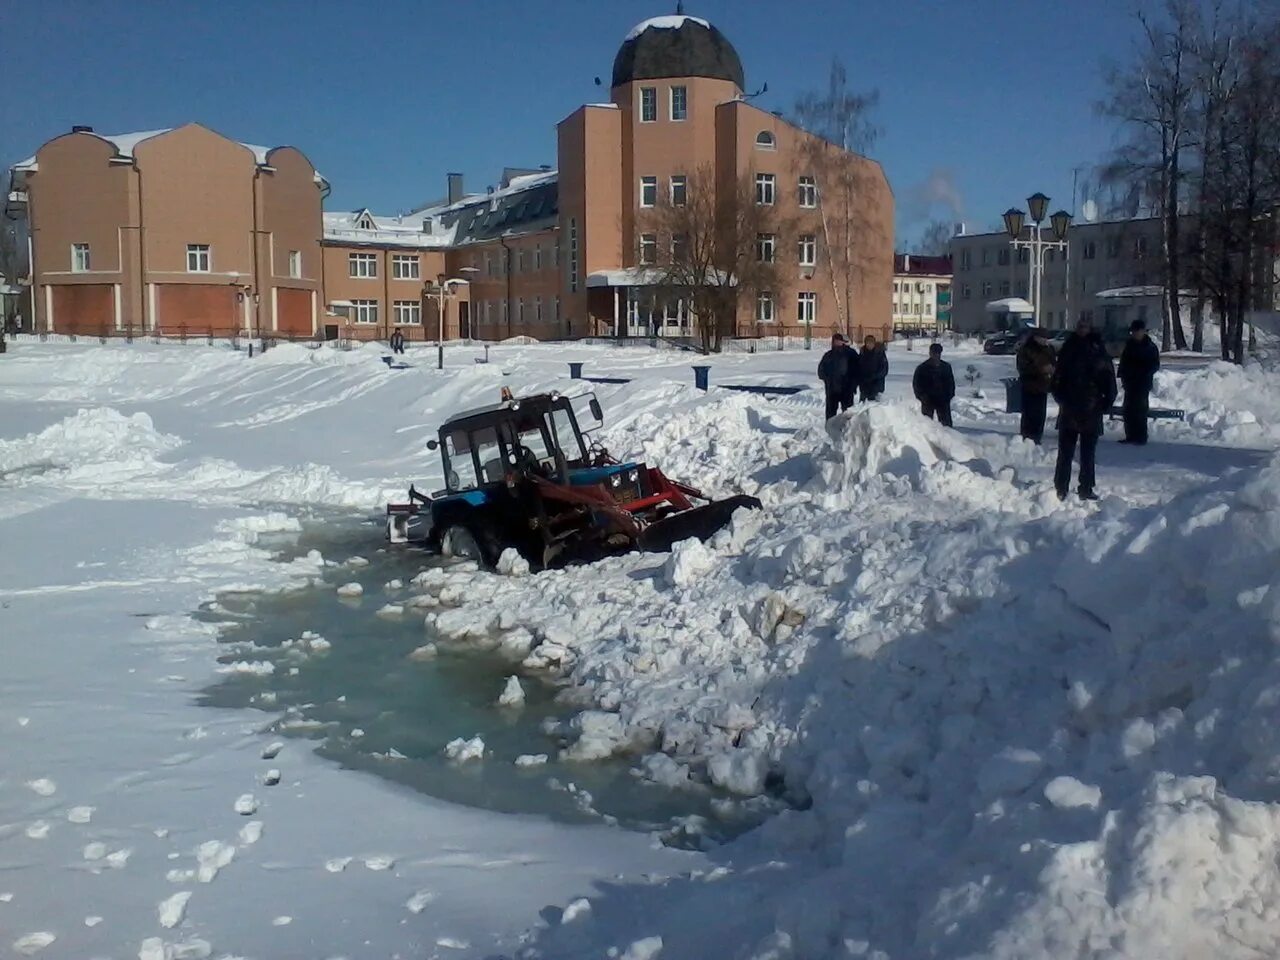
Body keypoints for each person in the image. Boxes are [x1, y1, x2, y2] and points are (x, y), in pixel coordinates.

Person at [1051, 318, 1118, 501]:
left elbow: (1108, 377)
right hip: (1071, 406)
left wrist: (1106, 402)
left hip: (1091, 407)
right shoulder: (1068, 348)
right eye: (1079, 326)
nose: (1082, 330)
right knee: (1065, 451)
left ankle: (1086, 487)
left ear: (1090, 329)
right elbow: (1057, 378)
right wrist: (1061, 398)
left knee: (1088, 453)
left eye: (1085, 327)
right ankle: (1061, 487)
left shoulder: (1097, 349)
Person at [1117, 319, 1160, 444]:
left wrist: (1143, 372)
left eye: (1138, 331)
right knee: (1128, 410)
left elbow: (1154, 365)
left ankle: (1141, 436)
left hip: (1142, 383)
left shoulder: (1149, 346)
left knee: (1140, 410)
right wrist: (1123, 375)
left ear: (1143, 331)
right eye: (1134, 331)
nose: (1135, 334)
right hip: (1130, 383)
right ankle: (1130, 435)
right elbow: (1124, 362)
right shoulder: (1129, 345)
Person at [1015, 328, 1056, 444]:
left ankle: (1037, 438)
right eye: (1042, 338)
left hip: (1043, 387)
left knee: (1040, 415)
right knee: (1029, 415)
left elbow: (1054, 363)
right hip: (1029, 386)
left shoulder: (1048, 350)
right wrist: (1040, 370)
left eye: (1046, 338)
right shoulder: (1026, 350)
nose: (1044, 340)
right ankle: (1027, 438)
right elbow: (1023, 368)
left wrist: (1052, 371)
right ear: (1035, 337)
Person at [912, 343, 956, 426]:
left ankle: (947, 438)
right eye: (934, 353)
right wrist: (922, 397)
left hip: (943, 400)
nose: (936, 355)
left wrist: (949, 395)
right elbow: (916, 385)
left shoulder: (946, 367)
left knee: (946, 426)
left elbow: (951, 383)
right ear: (930, 353)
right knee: (926, 425)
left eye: (938, 353)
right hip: (928, 400)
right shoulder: (922, 368)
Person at [817, 332, 859, 419]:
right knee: (830, 414)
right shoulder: (828, 355)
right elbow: (821, 371)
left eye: (838, 340)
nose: (836, 342)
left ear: (843, 342)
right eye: (834, 340)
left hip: (847, 389)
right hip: (832, 390)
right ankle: (830, 430)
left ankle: (847, 430)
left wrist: (853, 384)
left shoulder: (850, 354)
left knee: (847, 414)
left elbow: (857, 370)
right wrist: (828, 379)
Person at [858, 334, 888, 402]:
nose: (869, 345)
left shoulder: (880, 353)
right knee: (862, 406)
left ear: (874, 343)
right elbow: (858, 367)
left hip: (876, 385)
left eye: (871, 343)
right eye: (867, 343)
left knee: (873, 407)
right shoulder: (862, 353)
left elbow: (884, 369)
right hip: (864, 385)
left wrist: (874, 376)